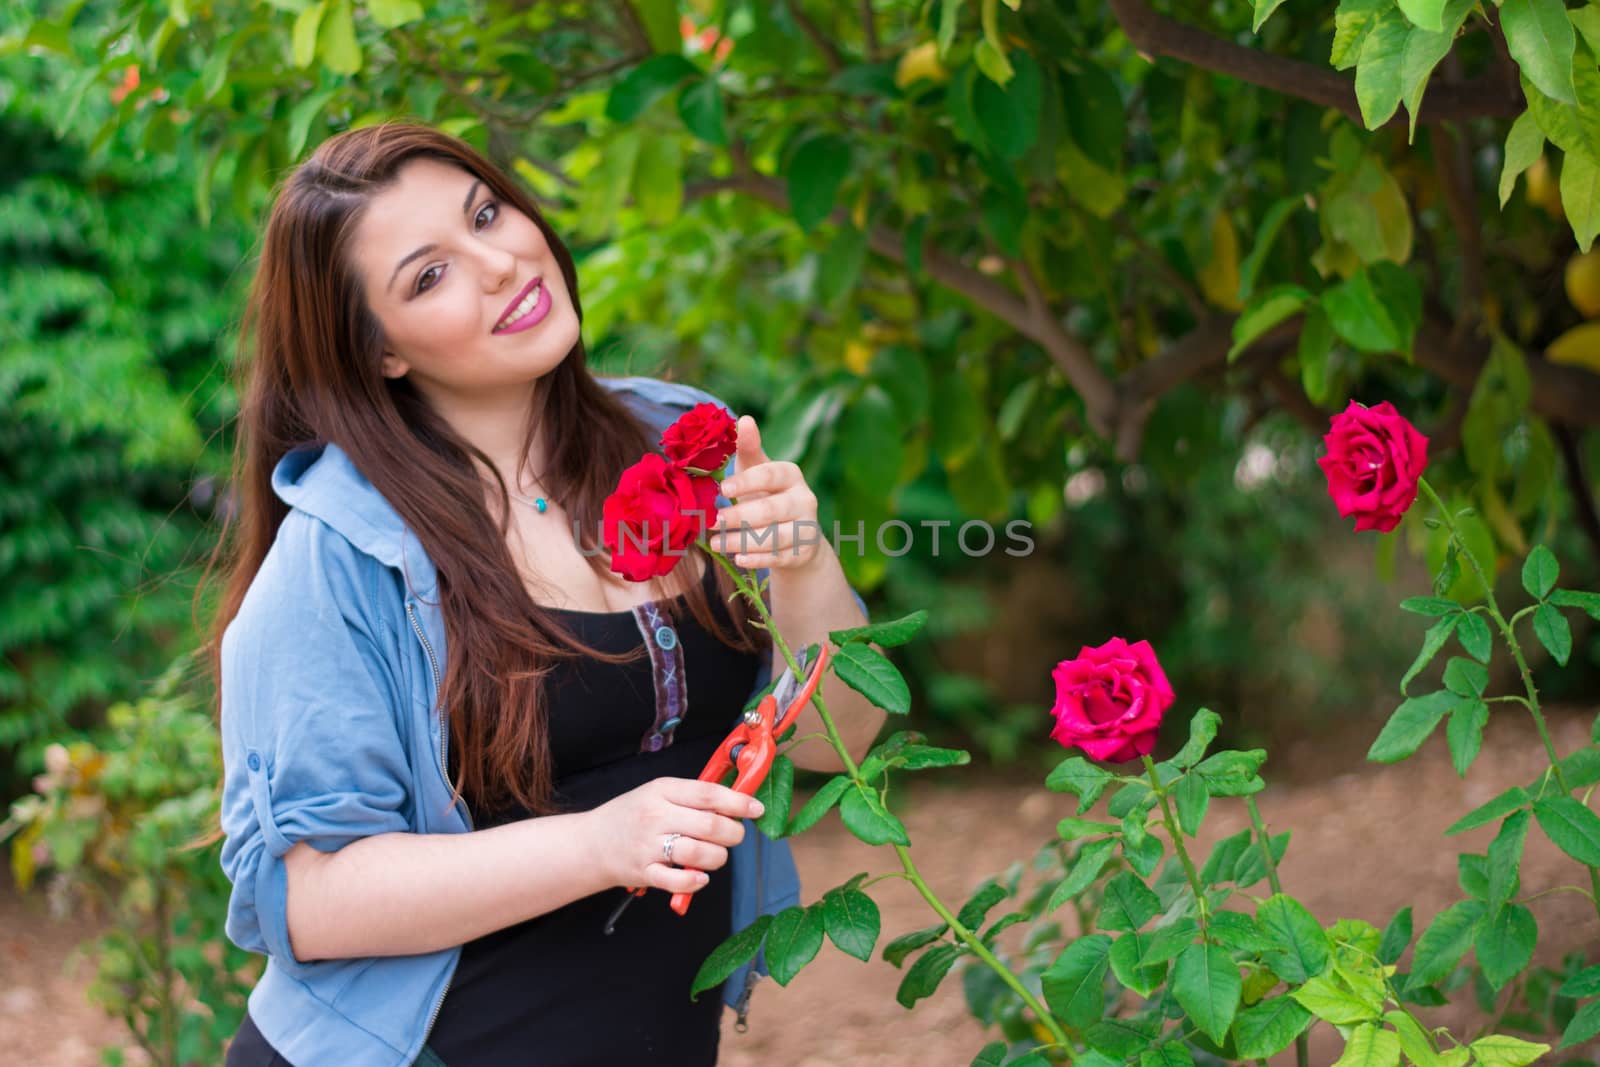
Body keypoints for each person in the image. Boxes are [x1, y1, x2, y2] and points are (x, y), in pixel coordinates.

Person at [209, 122, 885, 1067]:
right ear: (380, 353)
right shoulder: (341, 557)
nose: (497, 262)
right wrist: (600, 843)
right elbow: (307, 898)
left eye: (487, 213)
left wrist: (805, 565)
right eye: (428, 276)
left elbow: (834, 744)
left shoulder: (675, 437)